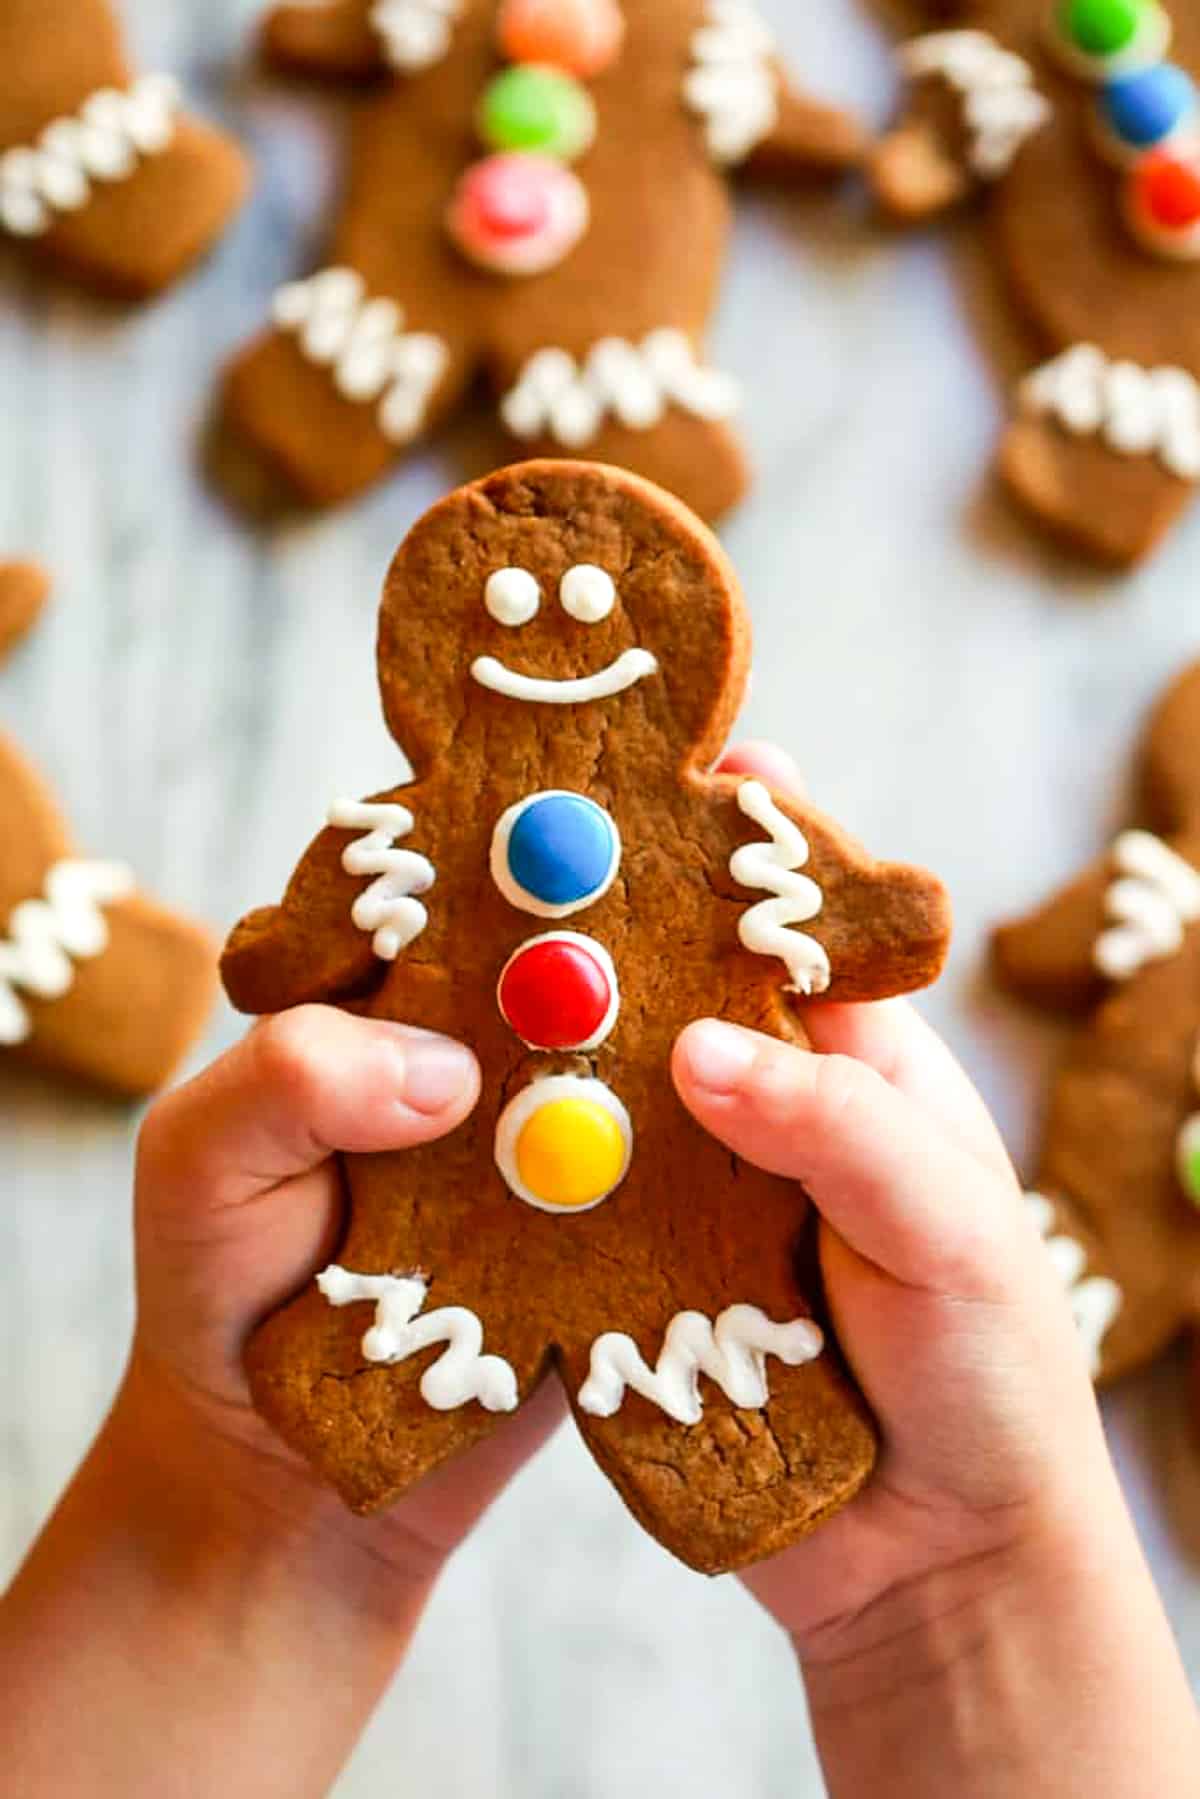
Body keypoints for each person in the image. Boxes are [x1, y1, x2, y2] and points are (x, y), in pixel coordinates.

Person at [1, 746, 1197, 1797]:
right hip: (435, 1254)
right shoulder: (418, 846)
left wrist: (967, 1566)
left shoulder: (728, 851)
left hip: (705, 1271)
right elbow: (281, 948)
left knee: (726, 1354)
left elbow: (883, 919)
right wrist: (247, 1491)